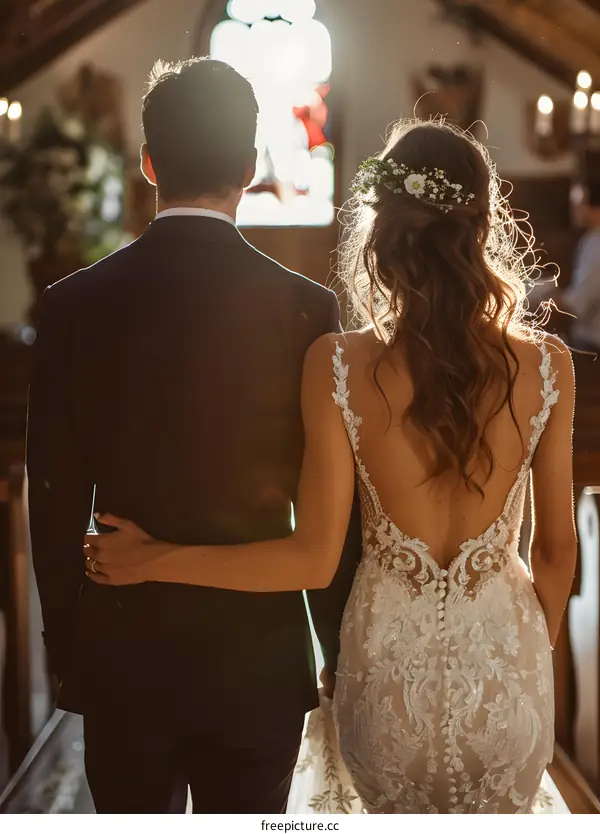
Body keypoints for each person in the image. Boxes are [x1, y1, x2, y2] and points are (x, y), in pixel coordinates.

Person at [85, 119, 578, 814]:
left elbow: (312, 561)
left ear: (382, 233)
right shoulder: (547, 367)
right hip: (506, 684)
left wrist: (153, 558)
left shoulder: (339, 365)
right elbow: (557, 554)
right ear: (482, 222)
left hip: (385, 682)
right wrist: (524, 651)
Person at [27, 57, 361, 814]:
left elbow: (49, 497)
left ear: (148, 164)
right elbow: (336, 508)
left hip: (123, 657)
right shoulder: (305, 308)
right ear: (249, 167)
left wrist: (69, 654)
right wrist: (336, 650)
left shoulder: (75, 305)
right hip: (258, 661)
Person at [561, 180, 600, 353]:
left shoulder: (596, 243)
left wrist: (544, 298)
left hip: (594, 344)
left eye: (578, 204)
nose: (573, 211)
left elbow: (579, 302)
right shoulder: (591, 239)